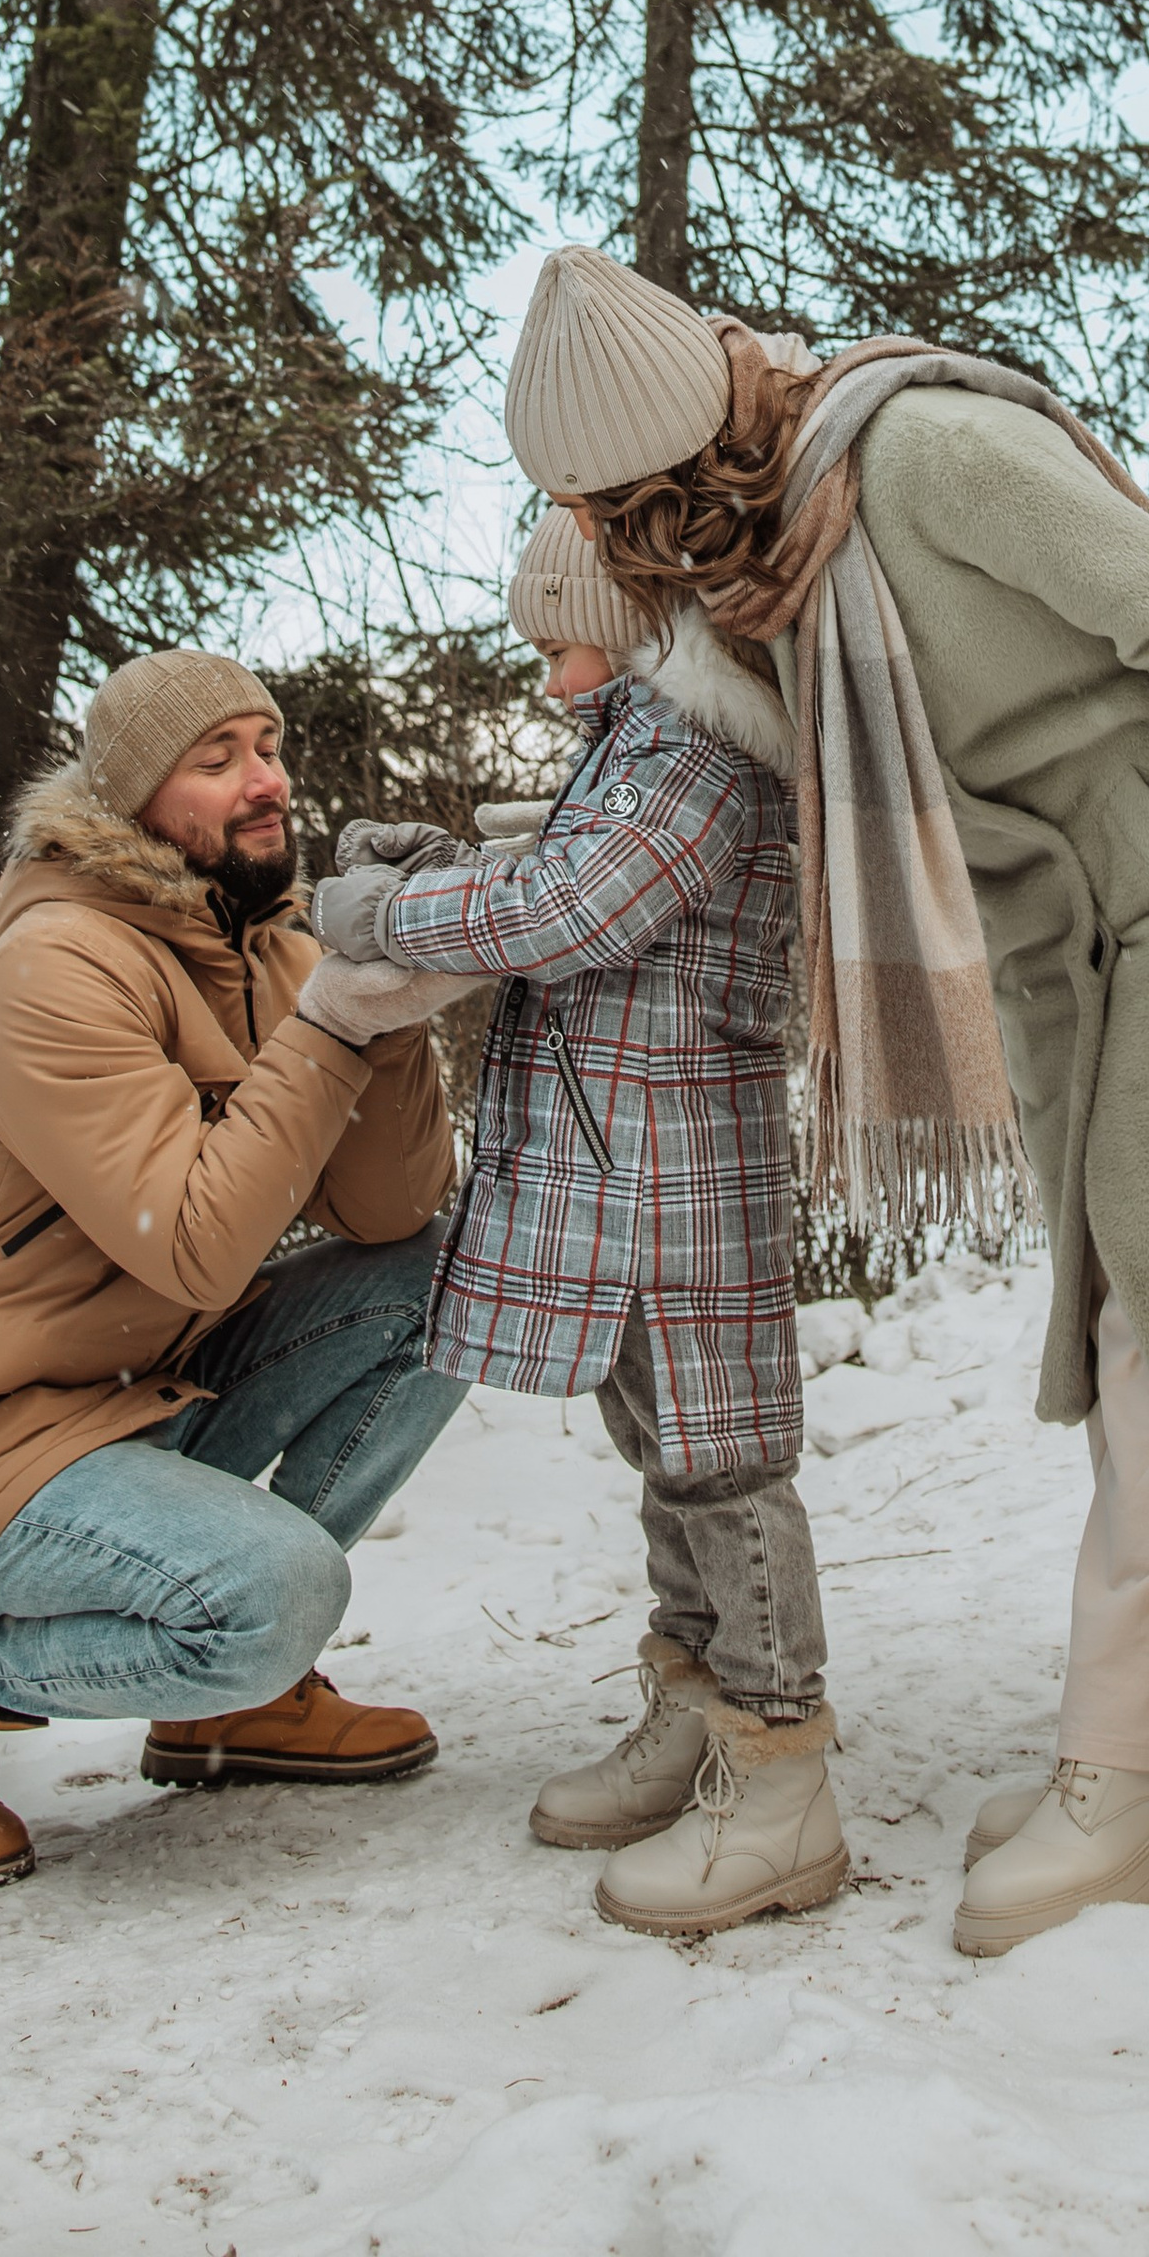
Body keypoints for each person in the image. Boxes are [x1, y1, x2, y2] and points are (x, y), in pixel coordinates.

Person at [490, 246, 1149, 1957]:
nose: (633, 553)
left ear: (681, 454)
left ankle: (1139, 1766)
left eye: (629, 509)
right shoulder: (765, 572)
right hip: (1071, 946)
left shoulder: (925, 458)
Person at [0, 647, 486, 1892]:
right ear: (132, 799)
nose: (263, 781)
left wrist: (384, 1011)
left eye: (270, 748)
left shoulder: (268, 945)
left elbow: (389, 1210)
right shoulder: (55, 968)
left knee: (456, 1276)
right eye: (216, 758)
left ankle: (235, 1696)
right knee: (276, 1590)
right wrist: (336, 1023)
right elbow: (196, 1241)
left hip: (132, 1399)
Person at [316, 509, 843, 1938]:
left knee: (726, 1463)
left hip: (682, 1169)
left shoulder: (698, 748)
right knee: (667, 1452)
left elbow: (578, 905)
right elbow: (569, 861)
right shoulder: (643, 738)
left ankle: (780, 1758)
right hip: (631, 1170)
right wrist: (434, 866)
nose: (553, 682)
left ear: (627, 618)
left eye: (559, 643)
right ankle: (693, 1704)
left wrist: (383, 914)